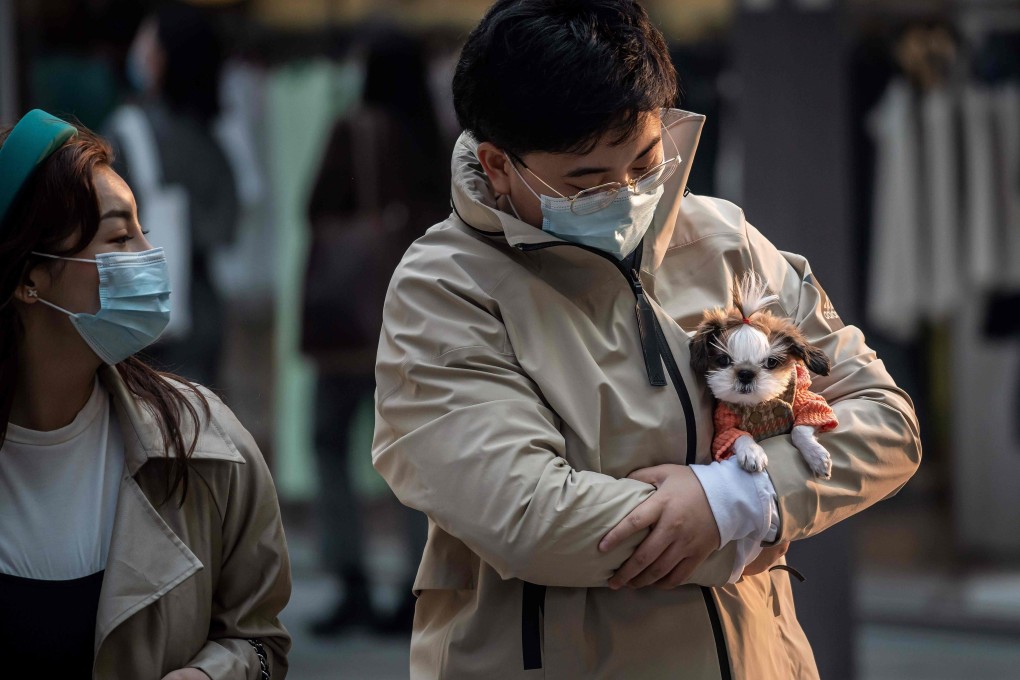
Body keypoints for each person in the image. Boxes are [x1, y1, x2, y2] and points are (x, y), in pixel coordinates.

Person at [370, 1, 922, 678]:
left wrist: (745, 498)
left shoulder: (724, 242)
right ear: (499, 164)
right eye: (587, 182)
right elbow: (532, 518)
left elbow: (885, 420)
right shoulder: (446, 288)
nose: (627, 194)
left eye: (645, 161)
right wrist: (728, 512)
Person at [0, 110, 290, 678]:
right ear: (29, 277)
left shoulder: (207, 446)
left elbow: (260, 643)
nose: (148, 258)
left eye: (142, 232)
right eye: (118, 236)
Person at [301, 26, 447, 636]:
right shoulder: (438, 139)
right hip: (411, 323)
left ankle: (351, 577)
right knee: (413, 456)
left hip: (348, 329)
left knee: (330, 443)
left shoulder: (351, 129)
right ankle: (416, 584)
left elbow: (314, 207)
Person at [106, 4, 238, 386]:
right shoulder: (215, 137)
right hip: (204, 312)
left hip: (145, 315)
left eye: (148, 42)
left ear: (163, 59)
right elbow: (226, 227)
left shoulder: (128, 131)